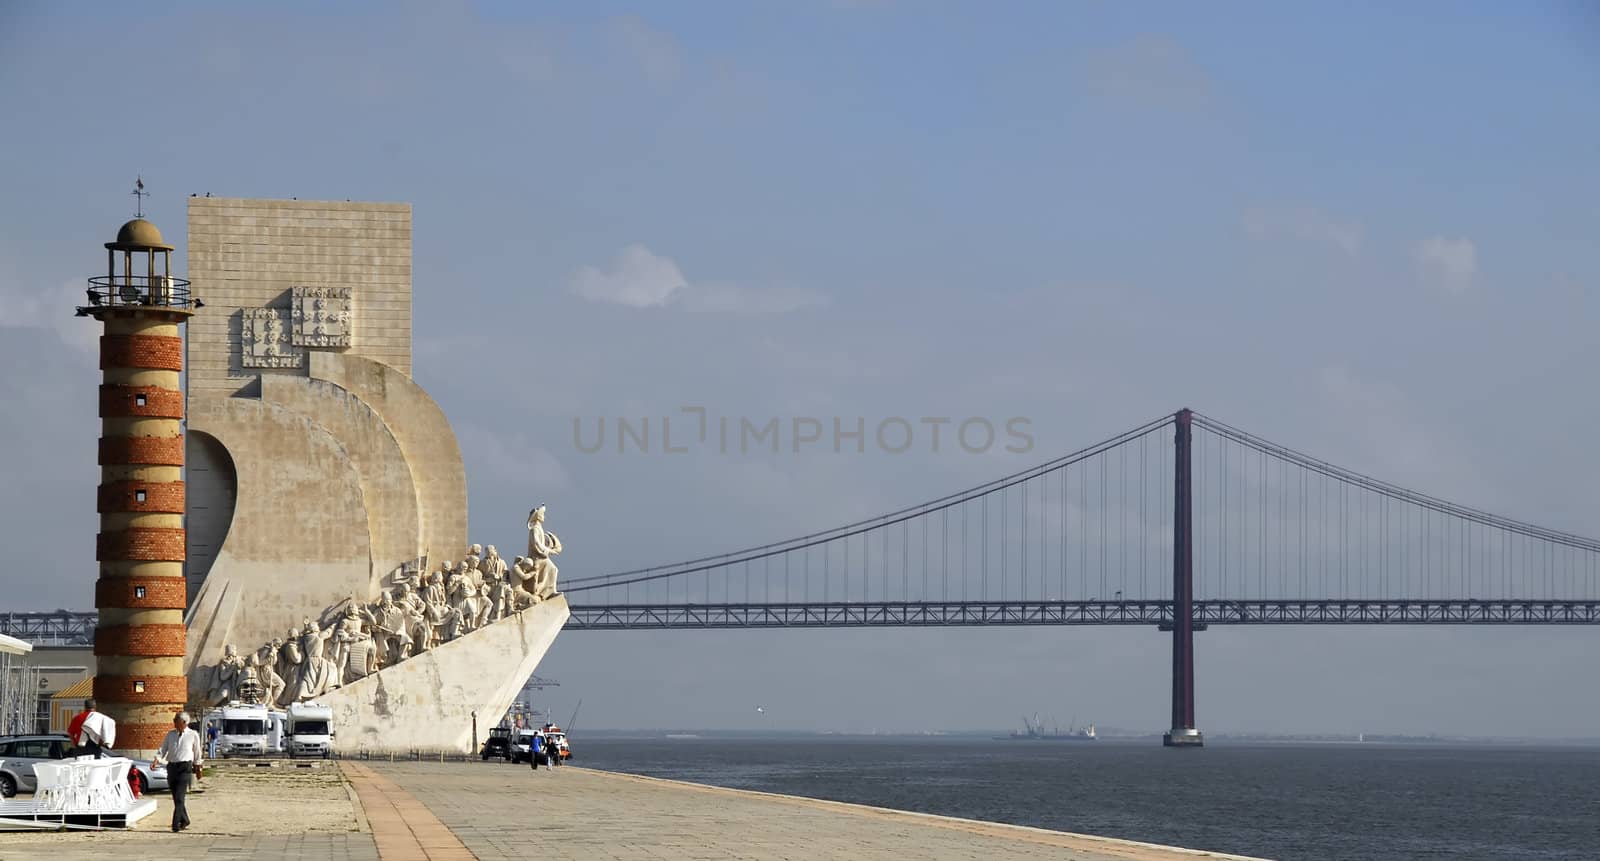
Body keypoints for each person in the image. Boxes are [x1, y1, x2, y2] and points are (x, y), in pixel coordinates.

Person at [153, 711, 203, 832]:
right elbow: (163, 749)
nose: (174, 722)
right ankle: (185, 819)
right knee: (176, 797)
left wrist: (198, 766)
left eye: (176, 720)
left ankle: (175, 824)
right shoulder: (170, 734)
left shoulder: (192, 734)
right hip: (172, 767)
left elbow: (197, 751)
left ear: (184, 722)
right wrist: (157, 760)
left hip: (185, 767)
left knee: (180, 796)